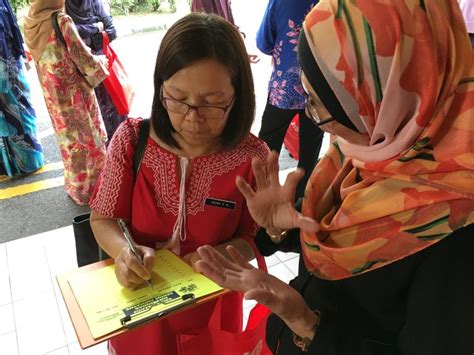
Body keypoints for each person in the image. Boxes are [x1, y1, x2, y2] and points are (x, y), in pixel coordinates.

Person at [195, 1, 474, 354]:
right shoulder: (368, 150)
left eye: (320, 104)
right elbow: (347, 230)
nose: (313, 119)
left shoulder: (459, 227)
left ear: (388, 92)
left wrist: (306, 324)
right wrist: (279, 228)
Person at [88, 13, 269, 355]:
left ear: (238, 96)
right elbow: (103, 219)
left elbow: (251, 239)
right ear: (160, 89)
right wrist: (124, 253)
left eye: (213, 103)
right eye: (177, 98)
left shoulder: (253, 156)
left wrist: (220, 257)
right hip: (139, 309)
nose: (192, 118)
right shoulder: (131, 141)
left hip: (213, 309)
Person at [24, 0, 108, 205]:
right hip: (74, 93)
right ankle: (98, 189)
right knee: (89, 139)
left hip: (53, 96)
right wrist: (101, 63)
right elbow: (82, 58)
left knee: (69, 141)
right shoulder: (61, 20)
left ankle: (76, 188)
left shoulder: (29, 21)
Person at [256, 0, 324, 199]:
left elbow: (264, 42)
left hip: (284, 86)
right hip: (319, 88)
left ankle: (264, 192)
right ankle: (303, 198)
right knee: (311, 146)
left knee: (268, 143)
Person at [65, 0, 126, 141]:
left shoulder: (95, 3)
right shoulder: (62, 8)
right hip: (81, 73)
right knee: (93, 120)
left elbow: (111, 31)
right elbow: (66, 32)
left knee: (114, 112)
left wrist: (85, 42)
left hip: (103, 68)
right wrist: (95, 28)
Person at [0, 0, 44, 177]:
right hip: (5, 65)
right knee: (8, 115)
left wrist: (20, 52)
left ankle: (26, 162)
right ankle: (16, 164)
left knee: (21, 111)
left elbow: (11, 27)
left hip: (9, 63)